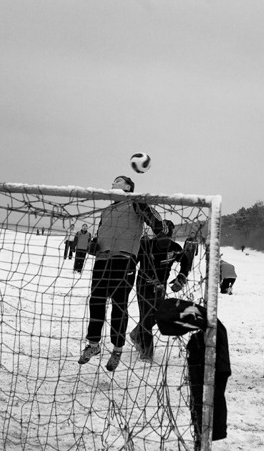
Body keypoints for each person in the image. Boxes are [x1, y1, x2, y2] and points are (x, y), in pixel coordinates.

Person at [77, 175, 164, 371]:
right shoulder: (106, 211)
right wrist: (93, 245)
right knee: (96, 301)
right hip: (102, 260)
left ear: (128, 187)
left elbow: (158, 225)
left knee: (119, 304)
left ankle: (117, 349)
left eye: (117, 181)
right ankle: (93, 345)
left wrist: (150, 216)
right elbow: (101, 234)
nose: (112, 183)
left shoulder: (136, 204)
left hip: (124, 261)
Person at [156, 298, 231, 447]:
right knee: (202, 399)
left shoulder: (210, 328)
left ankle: (207, 435)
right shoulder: (207, 325)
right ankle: (203, 435)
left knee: (209, 397)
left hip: (215, 361)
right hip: (211, 355)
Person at [130, 219, 192, 360]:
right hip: (144, 285)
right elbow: (132, 263)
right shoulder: (146, 246)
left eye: (167, 236)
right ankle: (147, 353)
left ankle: (136, 333)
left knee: (159, 316)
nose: (164, 240)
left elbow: (186, 260)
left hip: (160, 287)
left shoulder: (174, 247)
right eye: (160, 236)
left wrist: (180, 278)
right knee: (146, 317)